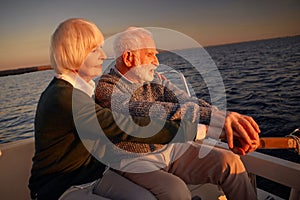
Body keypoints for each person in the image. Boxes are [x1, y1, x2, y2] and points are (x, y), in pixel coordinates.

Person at [28, 18, 198, 200]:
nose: (103, 55)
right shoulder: (63, 97)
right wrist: (190, 130)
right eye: (95, 50)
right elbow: (123, 126)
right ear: (74, 53)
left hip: (95, 176)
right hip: (60, 187)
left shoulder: (87, 89)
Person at [95, 27, 261, 200]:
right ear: (129, 57)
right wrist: (212, 119)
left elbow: (185, 101)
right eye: (151, 54)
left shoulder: (155, 79)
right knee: (176, 190)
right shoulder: (106, 88)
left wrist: (222, 118)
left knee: (230, 162)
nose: (157, 62)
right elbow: (149, 112)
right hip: (133, 160)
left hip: (170, 148)